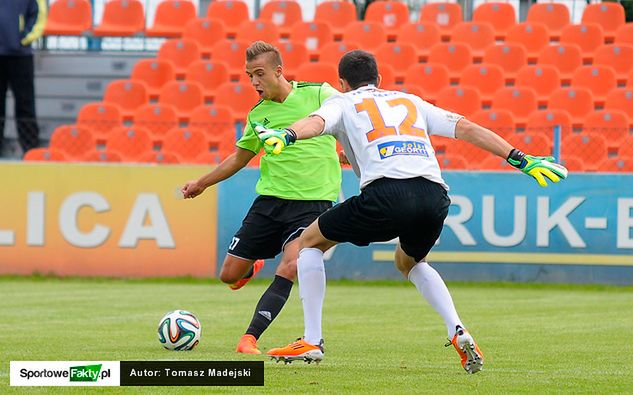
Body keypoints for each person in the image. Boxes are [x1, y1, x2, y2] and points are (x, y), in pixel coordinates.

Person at [256, 50, 568, 373]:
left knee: (308, 243)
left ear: (342, 83)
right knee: (409, 262)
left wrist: (287, 134)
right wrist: (519, 157)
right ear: (379, 79)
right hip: (434, 196)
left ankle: (312, 339)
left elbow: (316, 122)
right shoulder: (410, 101)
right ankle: (457, 329)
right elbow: (467, 127)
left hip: (386, 195)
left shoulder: (343, 102)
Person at [181, 41, 342, 355]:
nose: (253, 81)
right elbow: (238, 158)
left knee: (291, 265)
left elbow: (351, 119)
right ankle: (253, 265)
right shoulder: (258, 114)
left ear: (278, 71)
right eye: (249, 75)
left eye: (259, 74)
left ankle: (249, 338)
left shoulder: (319, 93)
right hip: (270, 203)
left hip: (313, 204)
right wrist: (202, 183)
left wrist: (350, 152)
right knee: (229, 275)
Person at [0, 0, 46, 158]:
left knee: (25, 103)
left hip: (21, 56)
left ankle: (31, 149)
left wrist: (22, 40)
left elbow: (39, 14)